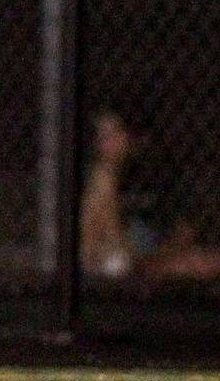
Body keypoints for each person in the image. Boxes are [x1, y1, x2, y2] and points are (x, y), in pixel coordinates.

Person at [80, 104, 220, 285]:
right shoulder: (101, 178)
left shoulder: (149, 172)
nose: (108, 143)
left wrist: (160, 256)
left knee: (206, 260)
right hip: (109, 261)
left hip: (144, 254)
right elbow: (109, 241)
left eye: (114, 134)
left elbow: (185, 229)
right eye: (103, 137)